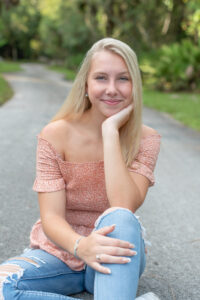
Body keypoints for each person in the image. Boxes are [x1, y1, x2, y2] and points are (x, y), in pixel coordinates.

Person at [0, 38, 161, 300]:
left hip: (115, 252)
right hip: (61, 252)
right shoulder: (55, 135)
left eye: (123, 79)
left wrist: (110, 132)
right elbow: (51, 217)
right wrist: (81, 246)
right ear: (86, 83)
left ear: (135, 86)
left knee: (119, 217)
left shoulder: (146, 139)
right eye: (101, 78)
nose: (112, 89)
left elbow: (123, 204)